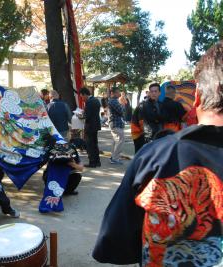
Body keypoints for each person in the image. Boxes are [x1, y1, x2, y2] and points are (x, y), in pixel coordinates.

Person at [92, 41, 223, 267]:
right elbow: (137, 124)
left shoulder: (153, 157)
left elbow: (114, 238)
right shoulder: (144, 109)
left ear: (198, 97)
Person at [130, 83, 164, 153]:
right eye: (151, 91)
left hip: (155, 136)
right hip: (142, 137)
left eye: (155, 91)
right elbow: (143, 124)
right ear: (149, 93)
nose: (153, 93)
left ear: (159, 93)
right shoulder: (143, 105)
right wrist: (149, 139)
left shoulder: (160, 104)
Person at [79, 87, 101, 168]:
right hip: (96, 125)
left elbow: (87, 115)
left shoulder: (89, 102)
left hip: (90, 126)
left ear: (85, 94)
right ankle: (97, 161)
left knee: (89, 145)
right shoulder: (95, 100)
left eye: (82, 96)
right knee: (95, 144)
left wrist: (81, 116)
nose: (82, 98)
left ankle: (92, 162)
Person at [108, 87, 125, 165]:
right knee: (120, 141)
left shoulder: (113, 101)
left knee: (115, 141)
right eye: (118, 92)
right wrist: (122, 105)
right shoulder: (114, 101)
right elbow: (121, 111)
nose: (119, 94)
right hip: (116, 123)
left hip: (115, 123)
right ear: (113, 93)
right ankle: (115, 158)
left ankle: (113, 157)